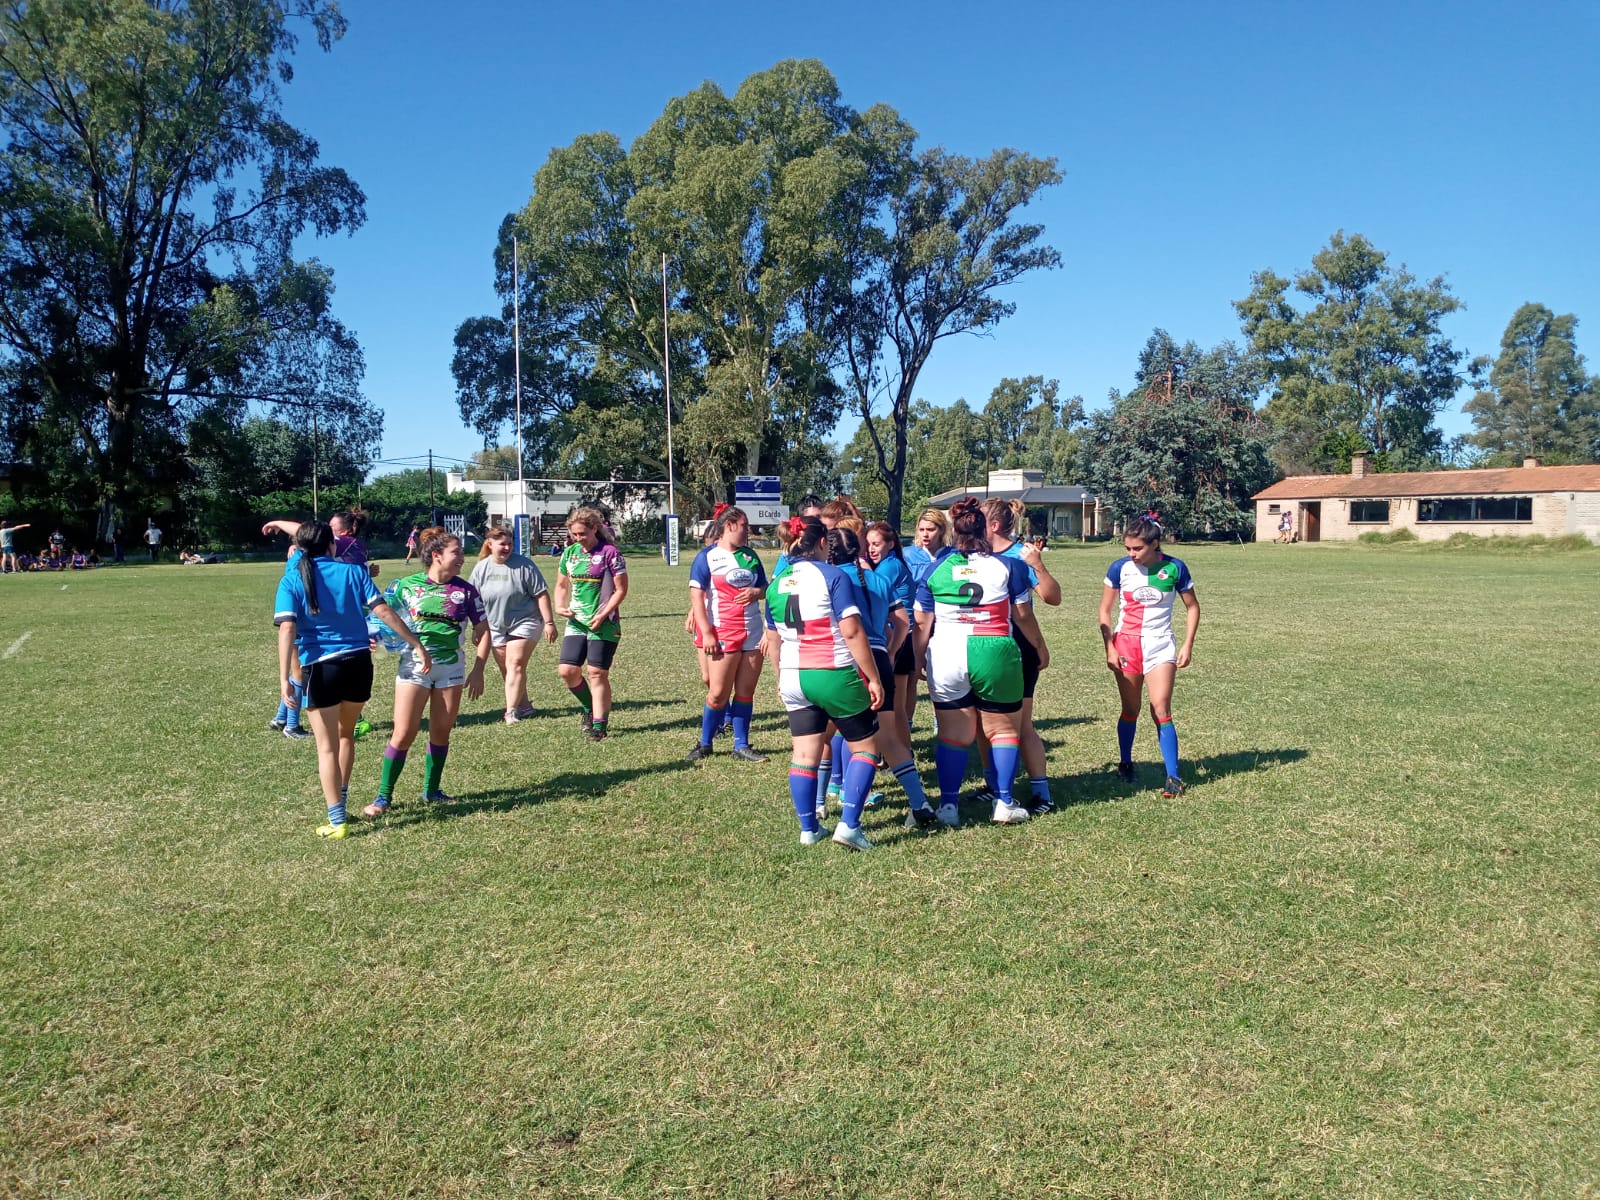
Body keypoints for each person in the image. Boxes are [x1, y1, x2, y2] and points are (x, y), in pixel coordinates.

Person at [273, 520, 428, 839]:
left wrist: (285, 678)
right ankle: (341, 805)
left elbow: (287, 628)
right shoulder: (354, 572)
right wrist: (415, 643)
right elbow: (383, 611)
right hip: (359, 664)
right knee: (346, 736)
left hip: (320, 668)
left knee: (326, 747)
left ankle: (337, 820)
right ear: (332, 544)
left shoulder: (291, 578)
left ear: (299, 548)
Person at [913, 497, 1048, 826]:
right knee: (1003, 731)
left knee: (952, 735)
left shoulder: (935, 568)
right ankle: (1004, 802)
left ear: (955, 532)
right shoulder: (1008, 566)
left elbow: (922, 623)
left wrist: (918, 660)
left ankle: (948, 806)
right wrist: (1039, 646)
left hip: (946, 651)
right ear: (984, 530)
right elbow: (1023, 615)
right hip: (994, 650)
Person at [765, 518, 885, 849]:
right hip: (832, 671)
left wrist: (779, 678)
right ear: (822, 543)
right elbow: (852, 631)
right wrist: (874, 677)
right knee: (865, 747)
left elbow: (773, 640)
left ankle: (809, 828)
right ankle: (849, 826)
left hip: (793, 674)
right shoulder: (833, 576)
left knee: (804, 753)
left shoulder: (777, 583)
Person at [363, 527, 489, 815]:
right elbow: (380, 619)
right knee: (403, 733)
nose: (462, 557)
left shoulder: (466, 591)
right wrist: (374, 638)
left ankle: (432, 791)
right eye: (456, 552)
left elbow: (484, 631)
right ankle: (383, 797)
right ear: (437, 556)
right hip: (414, 667)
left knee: (441, 733)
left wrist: (479, 669)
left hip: (451, 669)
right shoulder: (406, 586)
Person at [1098, 514, 1199, 798]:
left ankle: (1173, 777)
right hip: (1126, 644)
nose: (1132, 554)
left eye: (1138, 548)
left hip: (1160, 645)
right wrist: (1110, 646)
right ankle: (1125, 763)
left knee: (1161, 708)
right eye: (1128, 548)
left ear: (1155, 544)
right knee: (1131, 709)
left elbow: (1192, 607)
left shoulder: (1175, 567)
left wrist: (1188, 644)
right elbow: (1104, 610)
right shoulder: (1119, 568)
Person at [970, 497, 1060, 816]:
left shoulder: (1019, 556)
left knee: (1020, 725)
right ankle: (993, 785)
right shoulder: (973, 554)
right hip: (981, 648)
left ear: (994, 525)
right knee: (982, 723)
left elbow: (1052, 597)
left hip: (1017, 645)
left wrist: (1038, 565)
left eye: (979, 519)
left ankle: (1042, 793)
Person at [863, 521, 938, 828]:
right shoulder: (893, 564)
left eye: (876, 544)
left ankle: (898, 758)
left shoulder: (887, 569)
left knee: (892, 713)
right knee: (899, 711)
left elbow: (873, 597)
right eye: (868, 544)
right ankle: (903, 758)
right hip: (902, 638)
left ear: (891, 544)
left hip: (895, 640)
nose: (871, 549)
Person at [686, 504, 770, 764]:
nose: (748, 530)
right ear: (729, 525)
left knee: (745, 692)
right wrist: (707, 633)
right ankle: (705, 743)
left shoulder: (750, 556)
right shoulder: (707, 557)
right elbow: (697, 599)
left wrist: (757, 592)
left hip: (752, 632)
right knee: (718, 693)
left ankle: (741, 745)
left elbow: (765, 587)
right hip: (723, 631)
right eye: (744, 526)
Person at [553, 506, 628, 742]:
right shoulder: (570, 553)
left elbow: (621, 590)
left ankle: (599, 725)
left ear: (595, 528)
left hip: (604, 621)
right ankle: (588, 707)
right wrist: (559, 605)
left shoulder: (610, 553)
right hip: (577, 621)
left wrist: (603, 614)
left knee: (597, 673)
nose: (578, 538)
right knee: (567, 671)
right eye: (574, 534)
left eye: (582, 534)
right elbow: (561, 585)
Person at [469, 524, 556, 724]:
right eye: (502, 544)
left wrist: (549, 622)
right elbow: (474, 601)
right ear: (490, 544)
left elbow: (541, 594)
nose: (507, 548)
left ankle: (511, 711)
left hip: (526, 620)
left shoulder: (524, 565)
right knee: (507, 669)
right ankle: (524, 706)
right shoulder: (481, 568)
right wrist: (477, 628)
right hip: (495, 625)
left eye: (510, 544)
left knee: (515, 663)